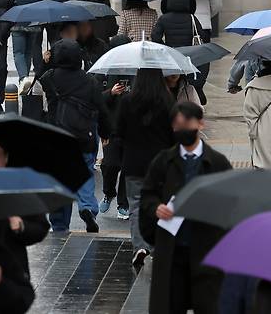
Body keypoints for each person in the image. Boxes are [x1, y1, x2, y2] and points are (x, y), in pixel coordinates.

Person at [140, 101, 232, 314]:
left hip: (206, 250)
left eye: (187, 123)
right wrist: (156, 207)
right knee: (171, 304)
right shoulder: (163, 162)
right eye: (177, 125)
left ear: (200, 124)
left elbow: (230, 201)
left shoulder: (217, 163)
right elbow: (147, 194)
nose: (182, 129)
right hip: (173, 250)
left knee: (208, 304)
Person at [40, 39, 111, 233]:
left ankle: (60, 224)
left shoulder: (49, 77)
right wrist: (105, 132)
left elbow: (38, 98)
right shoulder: (90, 81)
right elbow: (102, 110)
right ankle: (87, 207)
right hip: (84, 137)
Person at [117, 68, 174, 268]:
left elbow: (120, 132)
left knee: (135, 206)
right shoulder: (168, 102)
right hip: (161, 165)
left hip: (134, 163)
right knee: (160, 206)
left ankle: (140, 247)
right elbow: (173, 136)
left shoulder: (127, 102)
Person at [0, 140, 50, 278]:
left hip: (12, 274)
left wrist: (21, 226)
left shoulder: (18, 190)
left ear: (5, 159)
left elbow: (40, 228)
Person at [151, 0, 211, 105]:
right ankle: (193, 94)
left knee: (172, 81)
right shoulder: (192, 18)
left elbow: (155, 37)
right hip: (189, 58)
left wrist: (165, 48)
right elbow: (203, 37)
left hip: (171, 57)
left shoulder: (164, 19)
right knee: (188, 81)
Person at [99, 35, 132, 220]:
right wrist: (110, 93)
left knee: (127, 168)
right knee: (110, 165)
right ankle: (108, 192)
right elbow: (96, 99)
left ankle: (123, 204)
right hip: (111, 129)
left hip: (131, 130)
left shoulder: (138, 70)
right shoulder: (104, 70)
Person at [8, 0, 47, 83]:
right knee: (28, 52)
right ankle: (25, 79)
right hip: (34, 23)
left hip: (17, 22)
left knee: (18, 52)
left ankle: (23, 78)